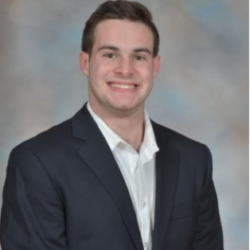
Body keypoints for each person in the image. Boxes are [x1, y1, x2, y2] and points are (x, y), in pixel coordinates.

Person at [0, 1, 223, 249]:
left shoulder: (194, 159)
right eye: (110, 54)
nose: (125, 70)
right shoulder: (37, 162)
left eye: (139, 56)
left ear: (154, 66)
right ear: (85, 63)